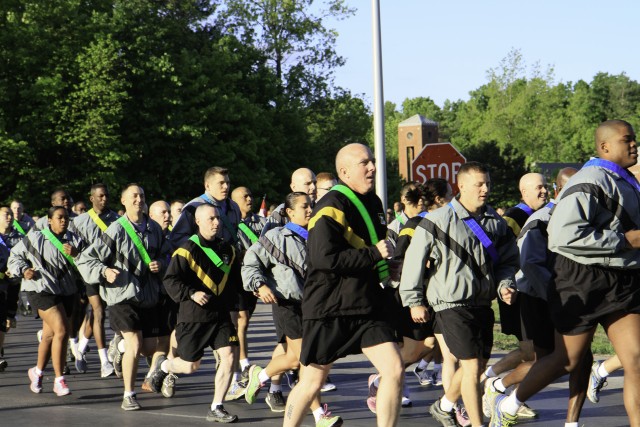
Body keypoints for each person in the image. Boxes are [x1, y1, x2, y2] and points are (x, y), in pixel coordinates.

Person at [490, 120, 640, 426]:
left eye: (635, 139)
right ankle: (509, 403)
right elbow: (564, 235)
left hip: (621, 282)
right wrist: (624, 241)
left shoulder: (625, 180)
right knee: (567, 361)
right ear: (605, 147)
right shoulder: (590, 180)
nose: (634, 144)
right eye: (628, 140)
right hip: (581, 281)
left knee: (635, 359)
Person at [284, 143, 403, 427]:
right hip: (330, 307)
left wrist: (388, 265)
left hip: (368, 304)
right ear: (345, 171)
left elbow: (374, 251)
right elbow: (324, 258)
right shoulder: (330, 206)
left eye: (372, 161)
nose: (373, 167)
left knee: (395, 369)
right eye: (365, 163)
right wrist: (374, 254)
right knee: (312, 380)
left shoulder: (373, 202)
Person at [400, 161, 519, 427]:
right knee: (472, 366)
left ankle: (444, 405)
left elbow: (508, 261)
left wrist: (504, 285)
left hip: (481, 303)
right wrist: (414, 301)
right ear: (461, 186)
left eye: (487, 183)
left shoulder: (494, 221)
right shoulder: (437, 221)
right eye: (479, 184)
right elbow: (413, 263)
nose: (485, 189)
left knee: (474, 366)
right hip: (449, 304)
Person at [483, 168, 593, 427]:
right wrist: (554, 296)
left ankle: (571, 422)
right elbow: (529, 265)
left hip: (574, 300)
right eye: (574, 188)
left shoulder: (584, 215)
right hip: (537, 298)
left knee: (582, 359)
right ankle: (500, 388)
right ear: (560, 190)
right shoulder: (537, 220)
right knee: (546, 362)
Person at [242, 192, 341, 426]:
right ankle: (320, 416)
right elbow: (250, 263)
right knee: (304, 360)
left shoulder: (319, 234)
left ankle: (261, 374)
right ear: (289, 212)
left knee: (299, 359)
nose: (310, 210)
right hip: (287, 305)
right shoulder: (275, 236)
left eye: (311, 206)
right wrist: (259, 284)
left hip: (315, 307)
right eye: (304, 206)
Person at [77, 183, 169, 411]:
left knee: (148, 348)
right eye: (134, 196)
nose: (139, 199)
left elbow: (167, 254)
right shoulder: (116, 230)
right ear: (124, 201)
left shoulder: (155, 229)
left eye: (142, 195)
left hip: (147, 295)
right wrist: (104, 271)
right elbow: (86, 259)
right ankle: (129, 394)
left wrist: (162, 264)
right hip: (121, 295)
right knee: (135, 343)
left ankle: (119, 348)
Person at [155, 204, 240, 423]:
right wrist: (191, 294)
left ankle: (217, 406)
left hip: (220, 316)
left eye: (218, 218)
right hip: (194, 316)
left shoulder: (227, 249)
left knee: (229, 355)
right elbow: (170, 280)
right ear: (198, 222)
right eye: (211, 218)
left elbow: (234, 282)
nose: (216, 223)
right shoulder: (186, 250)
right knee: (191, 365)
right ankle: (164, 366)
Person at [486, 172, 548, 419]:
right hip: (517, 293)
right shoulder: (514, 217)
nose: (543, 191)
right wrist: (504, 284)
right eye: (538, 188)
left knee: (531, 354)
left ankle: (494, 383)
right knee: (533, 355)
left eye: (545, 186)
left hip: (532, 292)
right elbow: (498, 252)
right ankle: (497, 388)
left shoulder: (542, 214)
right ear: (524, 192)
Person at [8, 206, 84, 396]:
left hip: (66, 291)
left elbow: (89, 260)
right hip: (40, 289)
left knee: (50, 335)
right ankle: (59, 380)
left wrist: (77, 254)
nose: (64, 221)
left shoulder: (75, 240)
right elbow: (15, 256)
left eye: (66, 218)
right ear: (49, 220)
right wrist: (24, 269)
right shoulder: (36, 237)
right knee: (62, 330)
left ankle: (37, 372)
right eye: (59, 218)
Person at [69, 184, 119, 378]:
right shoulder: (80, 221)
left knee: (98, 314)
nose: (104, 199)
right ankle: (104, 361)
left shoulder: (117, 220)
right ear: (92, 198)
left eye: (106, 195)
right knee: (98, 312)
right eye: (100, 196)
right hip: (88, 272)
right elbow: (72, 248)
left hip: (110, 272)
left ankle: (80, 348)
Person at [230, 186, 267, 377]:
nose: (249, 198)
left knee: (244, 321)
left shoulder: (261, 222)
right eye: (244, 196)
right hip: (234, 279)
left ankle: (238, 358)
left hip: (254, 278)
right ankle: (243, 362)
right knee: (241, 320)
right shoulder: (228, 224)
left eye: (250, 194)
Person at [263, 168, 317, 232]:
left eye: (315, 183)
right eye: (308, 183)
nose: (313, 187)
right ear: (293, 187)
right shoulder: (280, 213)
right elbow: (268, 240)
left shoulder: (322, 208)